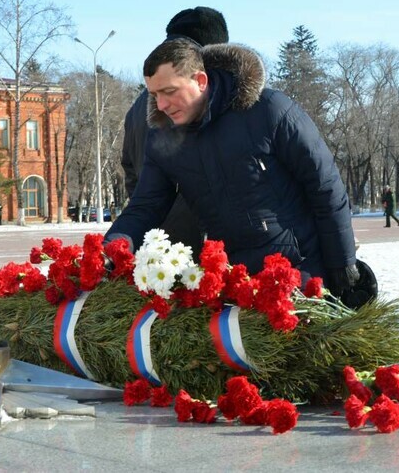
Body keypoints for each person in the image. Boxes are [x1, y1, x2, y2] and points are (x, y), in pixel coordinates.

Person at [106, 37, 374, 308]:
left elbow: (325, 186)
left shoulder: (269, 111)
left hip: (303, 271)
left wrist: (343, 263)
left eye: (169, 91)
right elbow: (145, 207)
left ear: (200, 81)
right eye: (154, 95)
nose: (161, 104)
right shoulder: (164, 140)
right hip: (238, 281)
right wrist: (111, 250)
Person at [121, 7, 230, 258]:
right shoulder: (185, 102)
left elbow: (130, 170)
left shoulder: (140, 105)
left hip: (152, 241)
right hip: (197, 246)